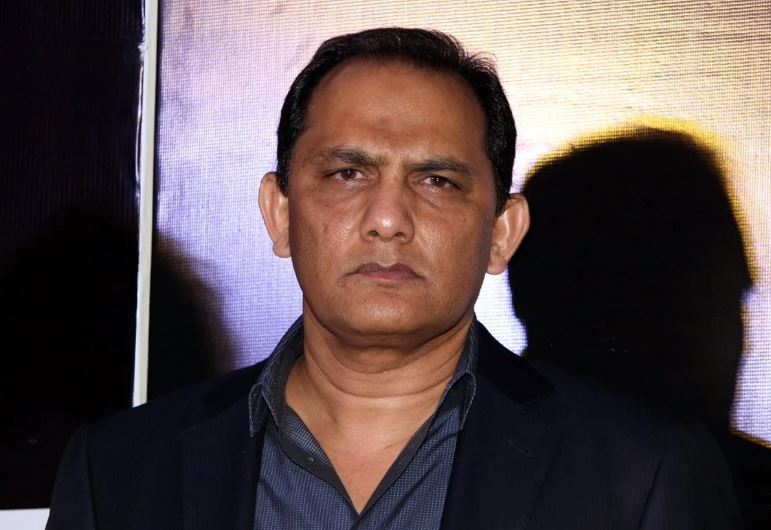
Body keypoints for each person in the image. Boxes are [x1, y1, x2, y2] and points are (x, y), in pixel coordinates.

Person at [46, 28, 741, 529]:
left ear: (501, 232)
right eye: (347, 173)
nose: (387, 219)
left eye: (437, 181)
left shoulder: (642, 474)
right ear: (280, 214)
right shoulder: (118, 472)